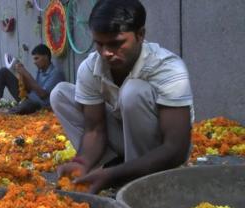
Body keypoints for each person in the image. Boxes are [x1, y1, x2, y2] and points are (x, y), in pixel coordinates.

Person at [50, 0, 193, 194]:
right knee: (60, 93)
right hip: (124, 144)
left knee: (133, 91)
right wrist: (81, 162)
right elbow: (94, 130)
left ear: (140, 34)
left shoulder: (168, 68)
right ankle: (113, 167)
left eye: (116, 44)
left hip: (160, 154)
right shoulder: (91, 68)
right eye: (99, 44)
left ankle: (139, 182)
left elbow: (176, 148)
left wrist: (114, 176)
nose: (106, 53)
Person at [0, 44, 65, 115]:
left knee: (29, 105)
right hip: (29, 98)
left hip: (39, 105)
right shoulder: (41, 70)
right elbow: (32, 89)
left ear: (46, 57)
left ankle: (4, 112)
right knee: (3, 72)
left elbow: (42, 95)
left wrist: (26, 73)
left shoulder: (56, 73)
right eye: (34, 59)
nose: (34, 62)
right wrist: (21, 76)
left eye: (37, 58)